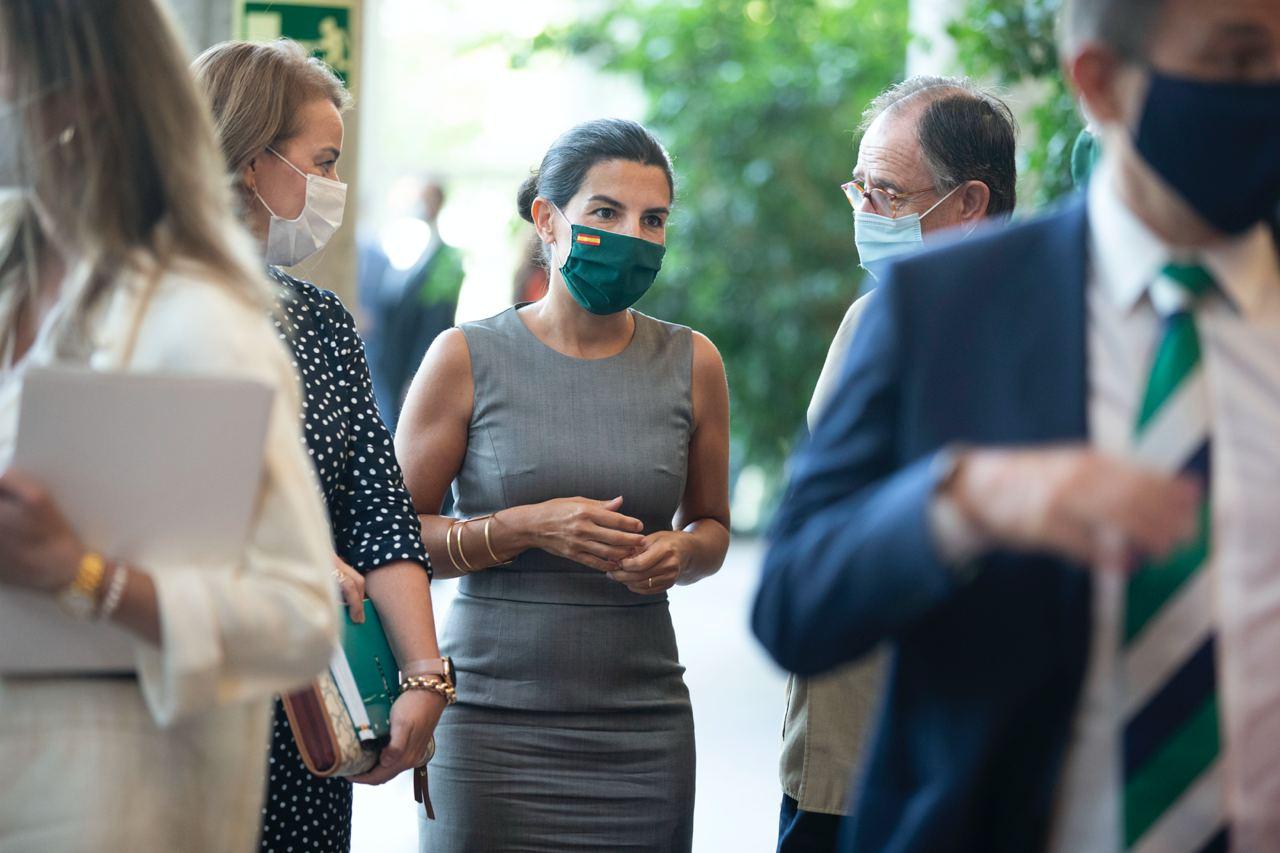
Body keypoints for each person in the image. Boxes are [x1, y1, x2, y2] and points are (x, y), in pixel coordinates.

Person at [753, 0, 1280, 849]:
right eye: (1240, 60)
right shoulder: (940, 307)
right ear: (1101, 82)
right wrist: (961, 498)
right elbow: (793, 600)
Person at [0, 2, 339, 850]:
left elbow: (299, 615)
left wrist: (83, 573)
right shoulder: (15, 288)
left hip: (100, 801)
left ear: (78, 95)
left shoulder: (198, 320)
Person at [396, 118, 731, 852]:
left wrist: (682, 551)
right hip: (489, 721)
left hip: (643, 727)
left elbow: (712, 526)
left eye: (653, 219)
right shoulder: (465, 356)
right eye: (606, 212)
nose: (632, 236)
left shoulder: (693, 362)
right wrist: (523, 527)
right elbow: (396, 538)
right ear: (547, 220)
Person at [192, 39, 448, 853]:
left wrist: (424, 675)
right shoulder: (149, 306)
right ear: (250, 162)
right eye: (324, 162)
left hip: (311, 704)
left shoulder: (322, 321)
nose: (335, 187)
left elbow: (379, 509)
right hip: (186, 687)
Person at [777, 76, 1018, 853]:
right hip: (848, 740)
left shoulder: (1041, 325)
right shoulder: (875, 315)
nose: (866, 213)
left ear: (969, 203)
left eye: (886, 193)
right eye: (861, 189)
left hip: (954, 747)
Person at [366, 179, 465, 431]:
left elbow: (437, 321)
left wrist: (417, 373)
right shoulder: (405, 244)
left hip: (413, 364)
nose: (420, 205)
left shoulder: (447, 259)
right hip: (388, 361)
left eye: (426, 198)